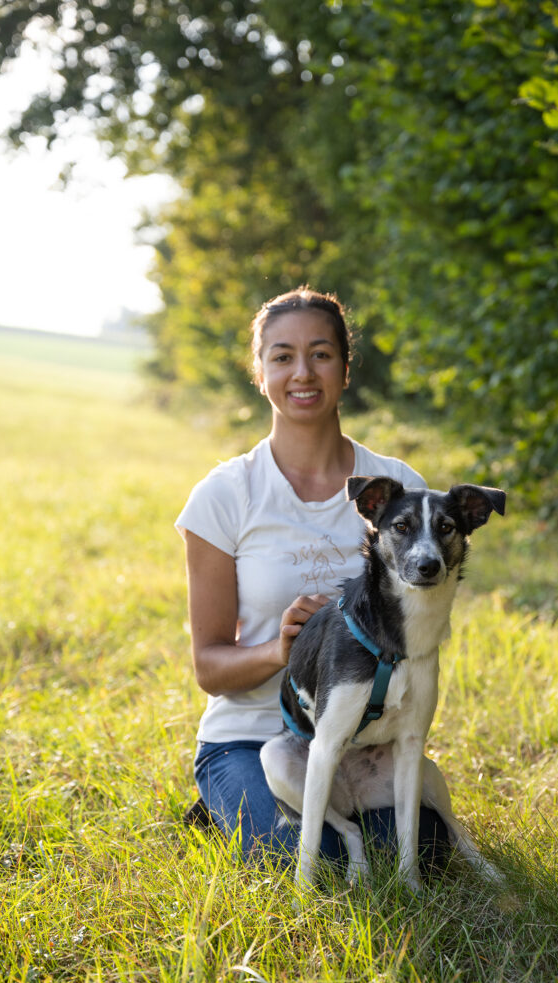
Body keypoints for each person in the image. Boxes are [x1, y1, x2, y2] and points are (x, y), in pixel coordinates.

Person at [176, 286, 450, 871]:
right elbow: (209, 667)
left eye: (321, 354)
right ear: (260, 373)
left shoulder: (396, 486)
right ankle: (226, 794)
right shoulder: (224, 495)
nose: (303, 372)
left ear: (346, 369)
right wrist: (280, 650)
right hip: (252, 736)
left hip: (366, 740)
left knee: (421, 850)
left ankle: (316, 810)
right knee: (314, 860)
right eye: (282, 356)